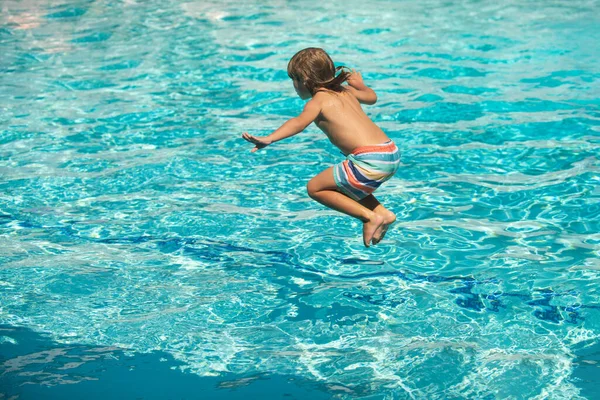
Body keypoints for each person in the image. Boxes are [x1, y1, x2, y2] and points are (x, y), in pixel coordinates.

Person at [242, 47, 400, 247]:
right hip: (389, 152)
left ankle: (370, 217)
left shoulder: (318, 102)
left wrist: (270, 138)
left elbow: (298, 123)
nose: (294, 85)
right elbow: (372, 98)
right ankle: (381, 213)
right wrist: (361, 86)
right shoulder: (345, 91)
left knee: (315, 188)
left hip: (369, 159)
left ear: (305, 80)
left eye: (294, 80)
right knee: (342, 185)